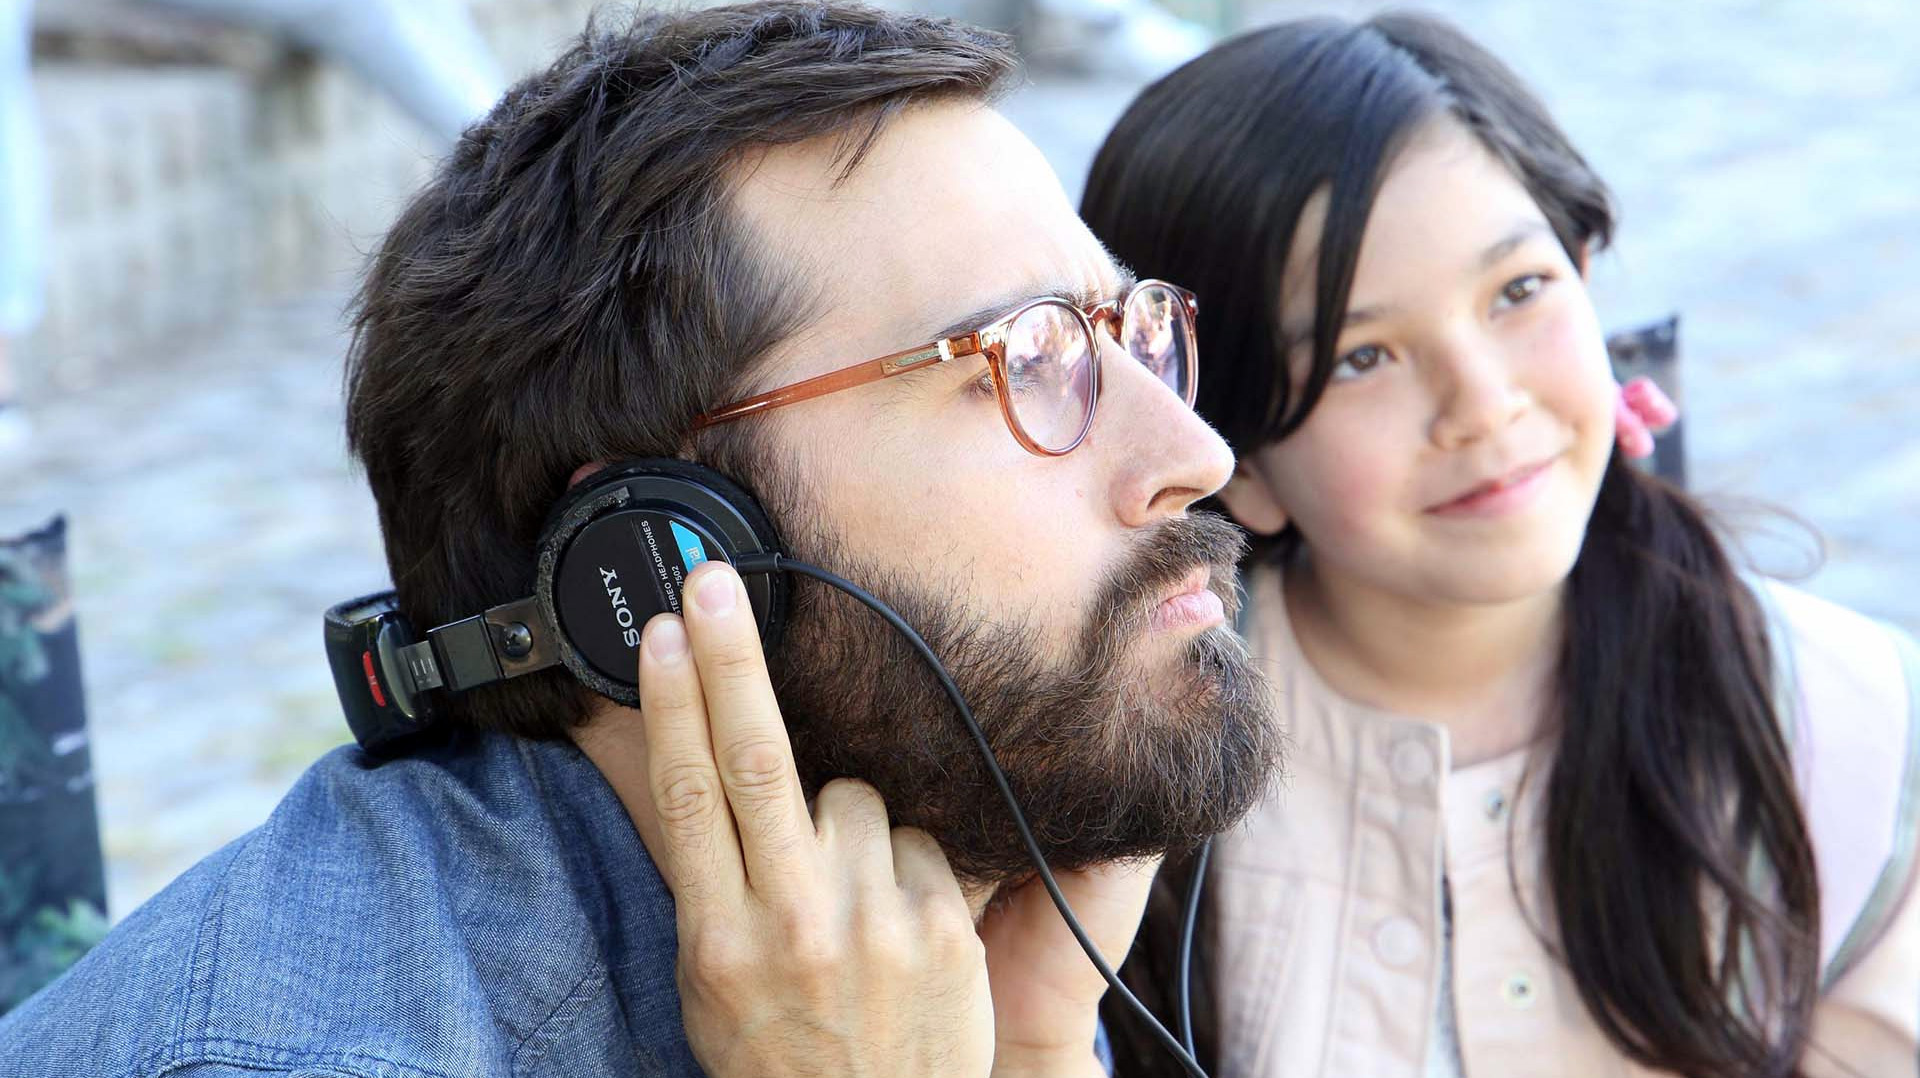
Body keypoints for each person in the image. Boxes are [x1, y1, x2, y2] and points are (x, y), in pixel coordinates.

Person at [0, 3, 1283, 1075]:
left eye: (1130, 331)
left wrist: (1041, 1047)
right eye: (1026, 359)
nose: (1196, 457)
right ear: (664, 561)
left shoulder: (956, 928)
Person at [1078, 13, 1920, 1078]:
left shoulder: (1854, 730)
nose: (1482, 404)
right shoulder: (1123, 765)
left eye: (1519, 291)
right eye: (1363, 355)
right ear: (1233, 456)